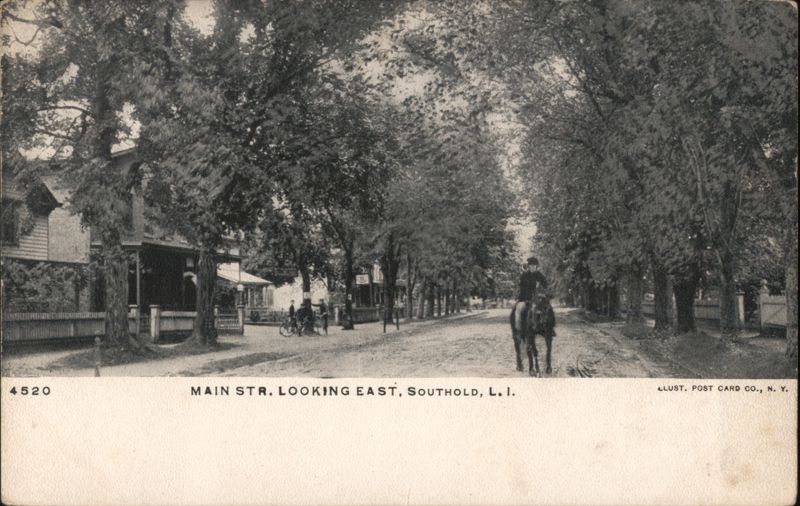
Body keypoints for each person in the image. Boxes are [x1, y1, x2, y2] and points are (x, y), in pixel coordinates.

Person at [517, 256, 548, 323]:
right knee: (520, 309)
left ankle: (543, 323)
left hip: (536, 296)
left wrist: (540, 286)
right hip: (525, 296)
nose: (533, 267)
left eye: (534, 266)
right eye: (531, 266)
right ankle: (520, 325)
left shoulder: (539, 275)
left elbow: (545, 285)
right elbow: (521, 286)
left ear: (536, 266)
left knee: (543, 308)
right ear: (528, 266)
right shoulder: (524, 275)